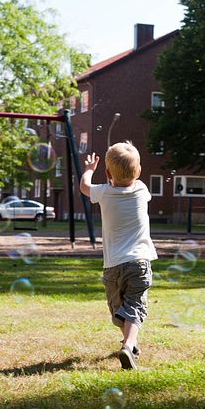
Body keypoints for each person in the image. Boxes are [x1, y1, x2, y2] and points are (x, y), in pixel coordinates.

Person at [80, 141, 157, 370]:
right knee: (134, 306)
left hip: (112, 266)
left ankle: (128, 343)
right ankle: (129, 344)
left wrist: (89, 170)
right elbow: (130, 181)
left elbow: (85, 187)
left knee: (119, 310)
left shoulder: (103, 192)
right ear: (139, 171)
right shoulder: (142, 190)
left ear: (108, 173)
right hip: (139, 263)